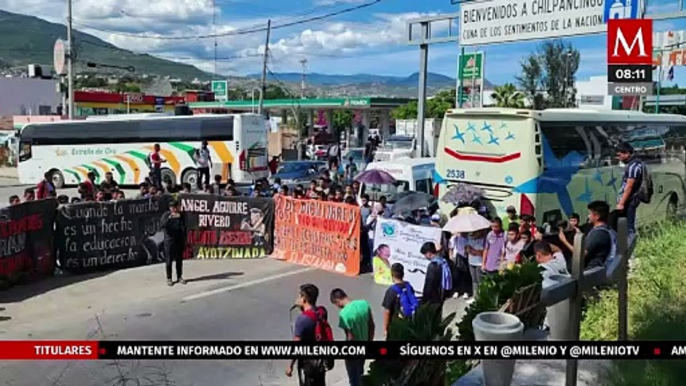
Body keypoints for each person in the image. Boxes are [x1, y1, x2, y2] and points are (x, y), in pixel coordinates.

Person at [287, 283, 331, 386]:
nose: (297, 298)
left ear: (304, 299)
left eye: (299, 296)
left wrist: (290, 365)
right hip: (321, 361)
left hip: (308, 364)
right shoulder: (322, 312)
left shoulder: (302, 320)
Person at [330, 289, 374, 386]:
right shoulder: (364, 304)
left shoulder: (344, 314)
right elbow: (371, 325)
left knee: (354, 378)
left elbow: (350, 336)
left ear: (337, 301)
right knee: (360, 373)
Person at [616, 142, 644, 241]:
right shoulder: (635, 163)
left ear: (627, 153)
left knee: (629, 227)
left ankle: (631, 251)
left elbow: (629, 187)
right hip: (630, 198)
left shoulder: (633, 167)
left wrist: (621, 203)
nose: (618, 158)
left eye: (619, 155)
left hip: (631, 199)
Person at [381, 263, 419, 338]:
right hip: (409, 322)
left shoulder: (391, 291)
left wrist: (385, 329)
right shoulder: (408, 286)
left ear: (392, 275)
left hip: (396, 324)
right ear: (403, 274)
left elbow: (387, 311)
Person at [420, 242, 452, 318]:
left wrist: (424, 300)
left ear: (429, 253)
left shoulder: (433, 266)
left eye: (425, 254)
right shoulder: (443, 261)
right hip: (442, 293)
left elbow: (429, 284)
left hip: (434, 296)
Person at [161, 196, 186, 286]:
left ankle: (179, 276)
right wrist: (169, 218)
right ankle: (169, 278)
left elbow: (184, 227)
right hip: (169, 240)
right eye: (172, 207)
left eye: (176, 207)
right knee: (169, 260)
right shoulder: (166, 215)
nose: (174, 209)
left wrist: (184, 239)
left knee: (179, 260)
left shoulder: (181, 215)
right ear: (170, 208)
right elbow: (162, 225)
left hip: (178, 240)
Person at [583, 201, 615, 269]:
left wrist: (564, 241)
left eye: (590, 213)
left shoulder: (598, 234)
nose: (588, 216)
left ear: (597, 216)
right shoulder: (608, 230)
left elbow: (581, 255)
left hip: (591, 272)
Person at [465, 230, 486, 302]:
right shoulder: (470, 239)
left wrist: (473, 251)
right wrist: (469, 250)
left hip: (479, 263)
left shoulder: (484, 240)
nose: (475, 233)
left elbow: (483, 252)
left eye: (477, 232)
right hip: (471, 262)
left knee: (480, 280)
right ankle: (475, 296)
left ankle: (481, 297)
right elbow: (467, 249)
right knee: (474, 280)